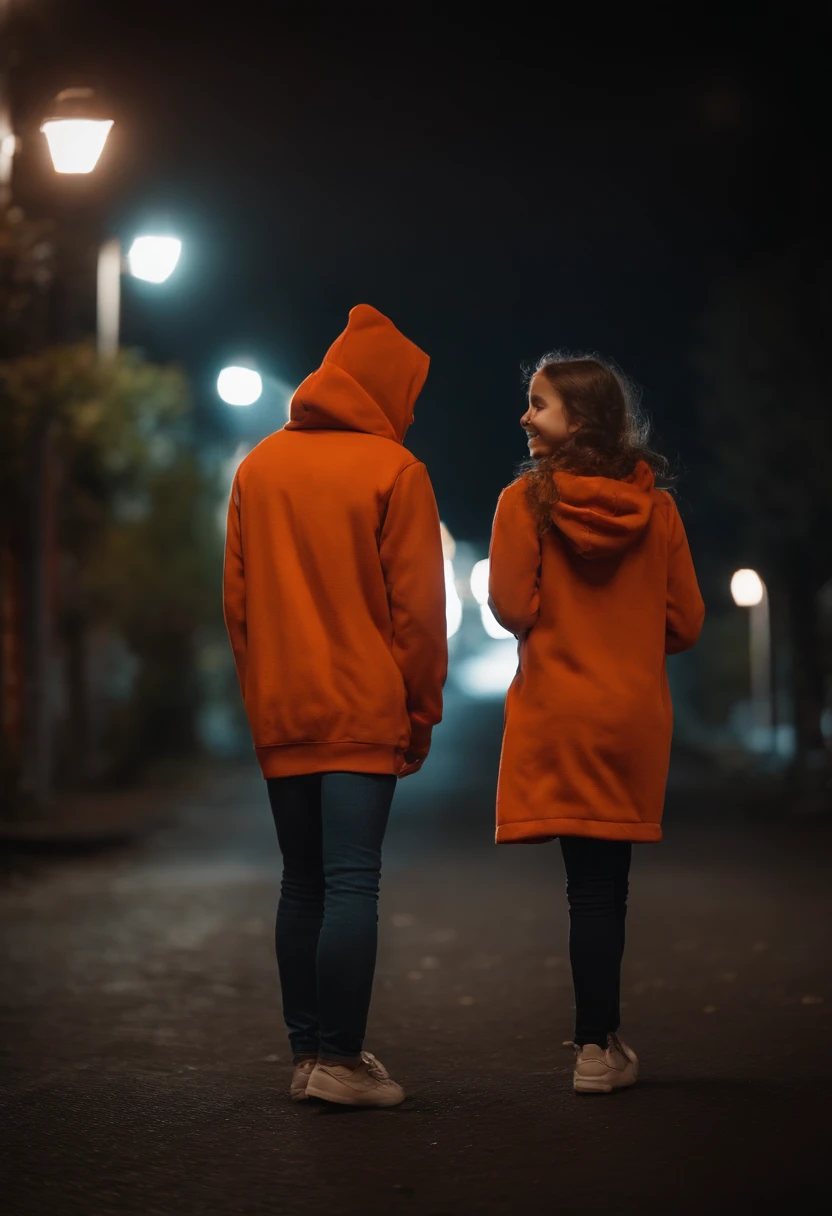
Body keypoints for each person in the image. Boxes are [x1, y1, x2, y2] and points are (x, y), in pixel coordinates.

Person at [223, 304, 447, 1108]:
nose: (412, 409)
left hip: (283, 707)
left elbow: (238, 608)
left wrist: (261, 697)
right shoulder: (396, 471)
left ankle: (307, 1056)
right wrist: (421, 711)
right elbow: (418, 616)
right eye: (409, 392)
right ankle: (342, 1063)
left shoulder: (258, 467)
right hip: (362, 708)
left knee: (302, 884)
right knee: (354, 883)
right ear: (385, 387)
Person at [488, 353, 704, 1094]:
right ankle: (597, 1045)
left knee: (584, 889)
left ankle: (593, 1049)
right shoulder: (660, 511)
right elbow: (688, 624)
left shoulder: (523, 503)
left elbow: (513, 608)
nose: (525, 416)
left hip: (558, 715)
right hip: (631, 719)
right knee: (607, 889)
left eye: (538, 404)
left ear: (578, 419)